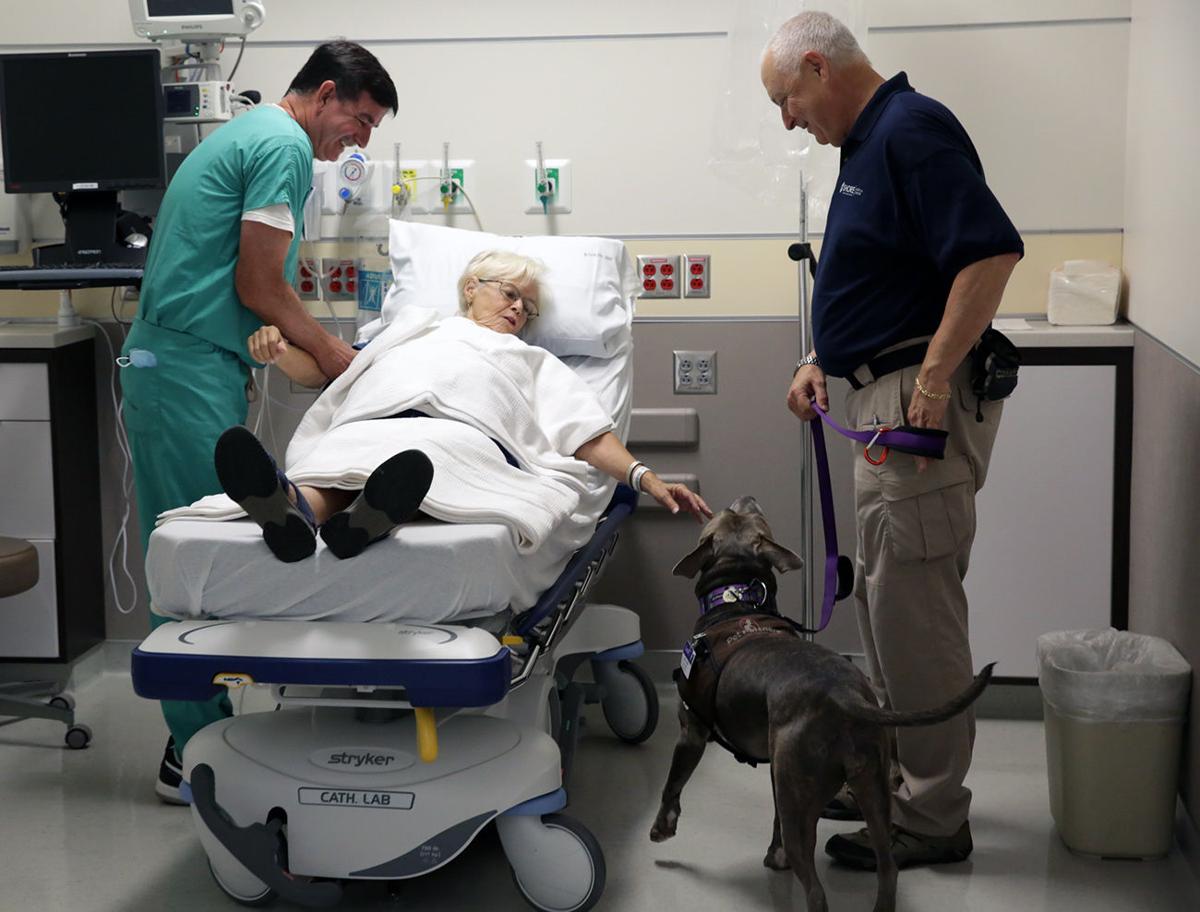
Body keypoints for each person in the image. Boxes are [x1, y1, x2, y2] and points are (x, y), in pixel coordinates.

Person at [761, 12, 1023, 868]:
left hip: (913, 410)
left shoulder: (913, 130)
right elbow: (888, 276)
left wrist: (935, 384)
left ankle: (934, 817)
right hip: (877, 400)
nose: (788, 119)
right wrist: (819, 356)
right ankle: (902, 780)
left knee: (918, 619)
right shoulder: (867, 147)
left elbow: (988, 257)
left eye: (787, 99)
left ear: (815, 65)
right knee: (888, 608)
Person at [119, 41, 398, 804]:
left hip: (187, 366)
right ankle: (194, 757)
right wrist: (342, 356)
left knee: (203, 549)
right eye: (361, 119)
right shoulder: (282, 144)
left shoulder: (245, 133)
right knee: (191, 560)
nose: (361, 140)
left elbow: (248, 289)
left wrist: (299, 346)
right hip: (181, 373)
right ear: (328, 92)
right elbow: (259, 282)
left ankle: (206, 736)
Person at [215, 250, 711, 563]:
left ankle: (351, 511)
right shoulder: (409, 329)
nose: (519, 310)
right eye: (511, 294)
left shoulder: (532, 359)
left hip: (460, 434)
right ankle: (297, 511)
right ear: (472, 287)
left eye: (529, 309)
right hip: (372, 419)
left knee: (417, 460)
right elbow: (334, 375)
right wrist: (279, 353)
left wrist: (647, 478)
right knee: (340, 462)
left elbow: (588, 436)